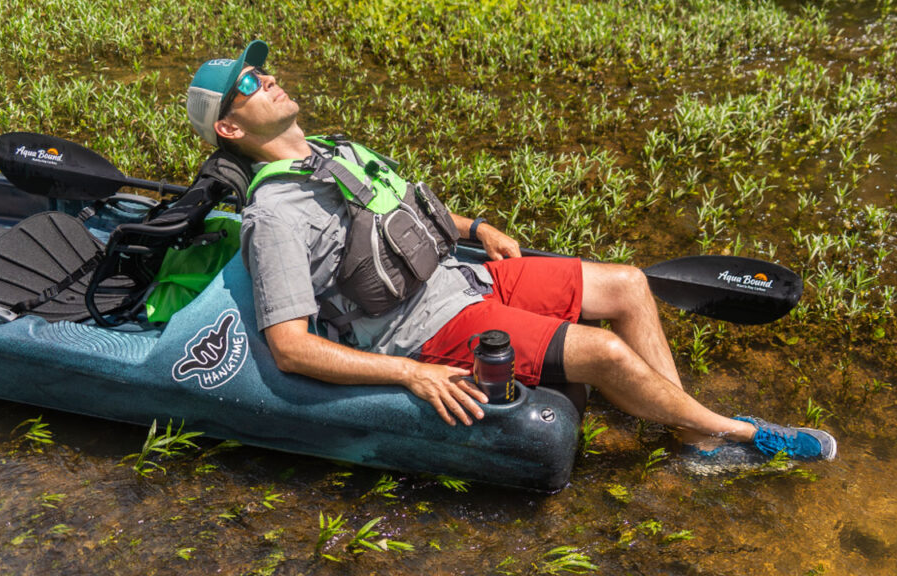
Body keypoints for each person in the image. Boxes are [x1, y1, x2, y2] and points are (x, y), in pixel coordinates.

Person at [185, 40, 837, 473]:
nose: (266, 77)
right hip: (423, 327)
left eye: (262, 69)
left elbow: (396, 212)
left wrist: (477, 224)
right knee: (606, 353)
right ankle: (736, 434)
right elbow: (292, 347)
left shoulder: (334, 148)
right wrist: (409, 375)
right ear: (230, 128)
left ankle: (691, 440)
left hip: (463, 272)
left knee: (630, 286)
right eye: (248, 81)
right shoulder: (272, 218)